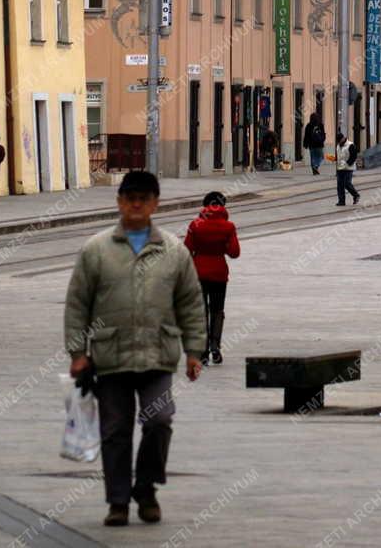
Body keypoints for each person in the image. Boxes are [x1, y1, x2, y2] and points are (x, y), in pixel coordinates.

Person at [64, 169, 205, 528]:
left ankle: (146, 488)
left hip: (158, 355)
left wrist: (194, 351)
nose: (137, 205)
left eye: (144, 199)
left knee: (159, 420)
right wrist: (77, 353)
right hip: (111, 357)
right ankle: (118, 501)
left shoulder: (173, 250)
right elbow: (78, 303)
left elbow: (190, 302)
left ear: (155, 203)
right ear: (120, 202)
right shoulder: (96, 249)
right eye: (130, 199)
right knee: (115, 431)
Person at [184, 191, 240, 367]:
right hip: (219, 273)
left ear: (205, 206)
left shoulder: (195, 224)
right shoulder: (229, 226)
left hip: (198, 273)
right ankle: (215, 347)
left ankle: (202, 351)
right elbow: (234, 252)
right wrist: (222, 247)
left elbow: (187, 249)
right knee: (217, 310)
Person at [335, 131, 360, 207]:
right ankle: (341, 201)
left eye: (340, 140)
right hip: (340, 168)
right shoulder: (338, 146)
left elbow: (354, 156)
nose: (339, 142)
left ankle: (356, 195)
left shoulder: (350, 145)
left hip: (349, 168)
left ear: (343, 138)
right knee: (340, 185)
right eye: (338, 141)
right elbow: (339, 156)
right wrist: (334, 159)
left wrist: (347, 163)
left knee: (347, 183)